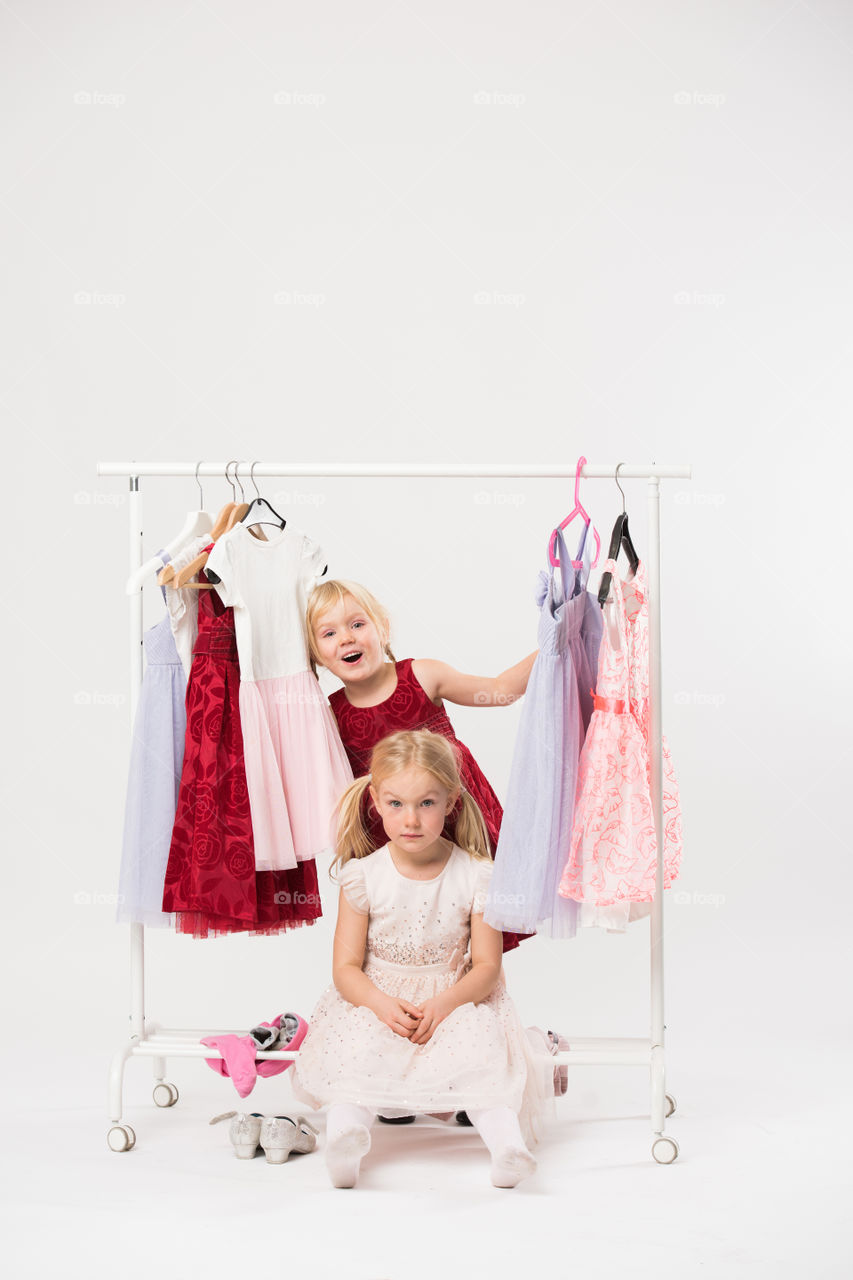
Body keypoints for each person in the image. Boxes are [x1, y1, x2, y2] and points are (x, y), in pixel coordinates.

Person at [289, 730, 552, 1189]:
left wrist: (446, 1005)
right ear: (375, 799)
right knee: (357, 1053)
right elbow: (346, 970)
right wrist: (379, 1004)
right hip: (379, 1002)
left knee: (482, 1051)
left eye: (426, 804)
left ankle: (507, 1148)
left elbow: (487, 966)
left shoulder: (476, 876)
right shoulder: (362, 877)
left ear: (451, 801)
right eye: (396, 804)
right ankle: (346, 1138)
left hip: (451, 1001)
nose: (410, 819)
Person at [305, 577, 537, 958]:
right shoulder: (330, 715)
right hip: (394, 835)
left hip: (457, 819)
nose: (346, 638)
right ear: (315, 652)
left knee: (475, 935)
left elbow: (500, 690)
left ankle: (478, 1001)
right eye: (329, 633)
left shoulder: (422, 675)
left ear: (382, 627)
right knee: (411, 939)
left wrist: (556, 642)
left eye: (357, 624)